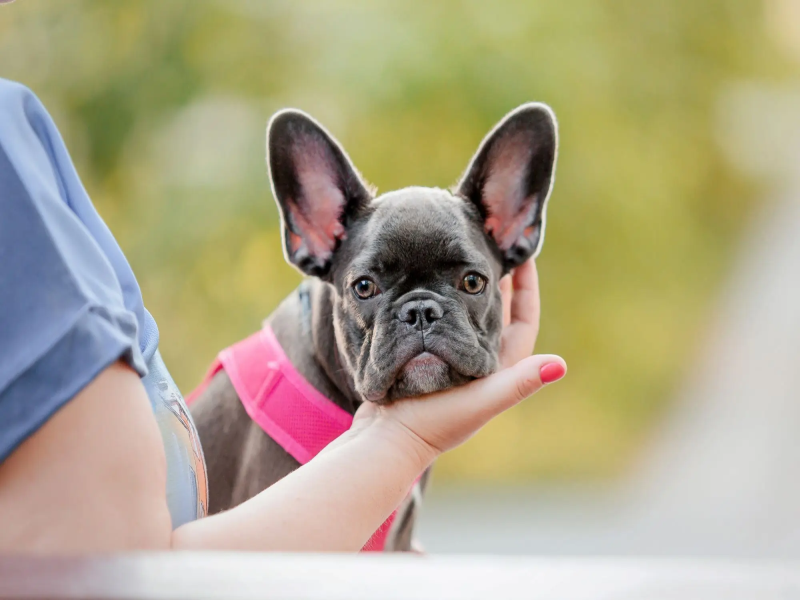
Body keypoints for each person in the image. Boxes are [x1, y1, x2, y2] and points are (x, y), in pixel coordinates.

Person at [0, 78, 567, 555]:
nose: (421, 318)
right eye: (368, 287)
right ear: (315, 238)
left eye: (469, 283)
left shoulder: (376, 393)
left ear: (514, 230)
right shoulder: (291, 406)